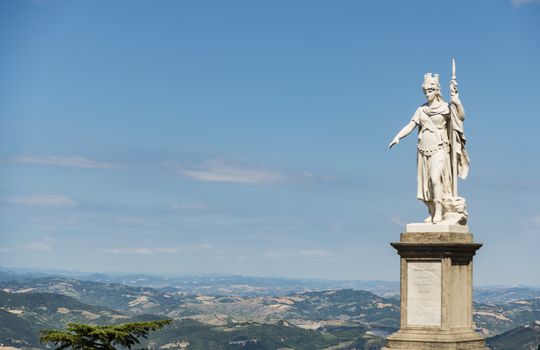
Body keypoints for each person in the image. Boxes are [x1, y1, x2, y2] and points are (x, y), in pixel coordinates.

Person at [388, 73, 467, 223]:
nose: (427, 94)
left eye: (430, 90)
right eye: (425, 91)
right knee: (427, 183)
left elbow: (461, 117)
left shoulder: (446, 107)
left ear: (437, 90)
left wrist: (456, 101)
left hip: (440, 148)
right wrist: (397, 137)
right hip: (423, 149)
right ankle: (431, 211)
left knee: (435, 178)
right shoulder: (421, 110)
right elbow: (410, 125)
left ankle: (439, 210)